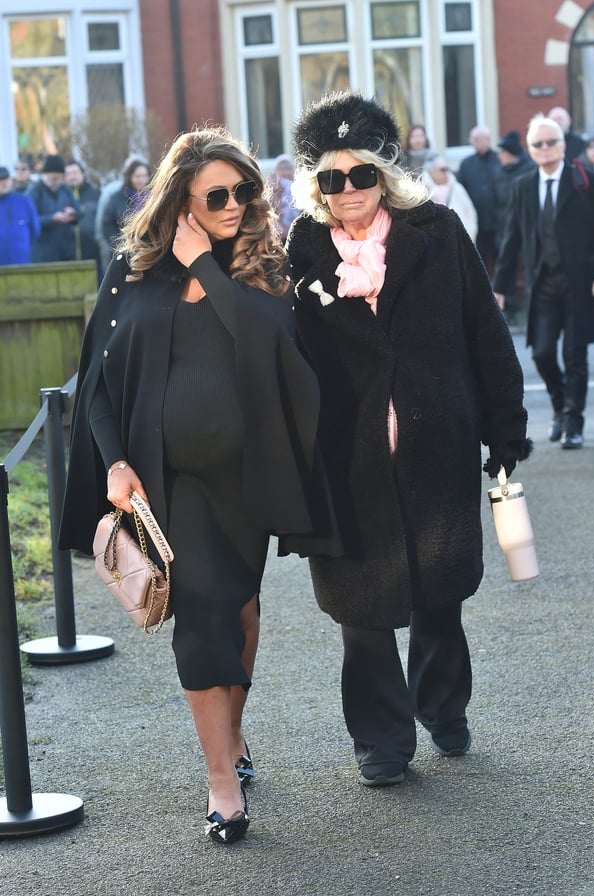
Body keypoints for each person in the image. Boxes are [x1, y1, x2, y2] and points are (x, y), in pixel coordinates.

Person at [59, 126, 339, 844]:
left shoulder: (261, 267)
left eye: (245, 191)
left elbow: (271, 344)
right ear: (180, 196)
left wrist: (204, 266)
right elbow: (97, 381)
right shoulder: (131, 269)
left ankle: (232, 735)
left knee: (240, 609)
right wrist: (116, 461)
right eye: (216, 194)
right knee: (204, 616)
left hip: (247, 480)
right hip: (164, 482)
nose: (235, 205)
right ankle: (221, 782)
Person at [287, 91, 531, 788]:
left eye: (361, 174)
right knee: (361, 614)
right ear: (316, 185)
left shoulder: (439, 232)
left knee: (438, 597)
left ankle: (443, 709)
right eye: (331, 179)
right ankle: (382, 741)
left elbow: (486, 333)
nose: (348, 192)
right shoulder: (301, 248)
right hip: (346, 459)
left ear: (384, 175)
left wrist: (504, 429)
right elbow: (286, 352)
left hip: (437, 447)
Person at [493, 115, 594, 450]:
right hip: (542, 284)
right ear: (530, 150)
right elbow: (511, 240)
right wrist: (499, 288)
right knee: (543, 353)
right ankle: (561, 406)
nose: (545, 149)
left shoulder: (585, 181)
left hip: (581, 284)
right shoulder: (523, 186)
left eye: (551, 142)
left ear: (563, 145)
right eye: (538, 144)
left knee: (575, 355)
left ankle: (574, 422)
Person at [494, 130, 536, 325]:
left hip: (528, 228)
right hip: (505, 228)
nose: (499, 156)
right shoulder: (499, 171)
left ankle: (532, 307)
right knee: (506, 267)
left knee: (530, 266)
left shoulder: (528, 170)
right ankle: (509, 309)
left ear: (510, 153)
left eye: (502, 152)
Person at [457, 125, 502, 275]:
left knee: (501, 261)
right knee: (477, 263)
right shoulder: (466, 164)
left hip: (498, 222)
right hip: (477, 222)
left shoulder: (500, 160)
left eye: (480, 139)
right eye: (474, 140)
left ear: (488, 140)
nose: (477, 142)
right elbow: (461, 192)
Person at [27, 154, 80, 262]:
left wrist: (73, 214)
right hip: (42, 251)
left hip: (66, 250)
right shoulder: (34, 192)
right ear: (45, 174)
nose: (56, 181)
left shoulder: (65, 189)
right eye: (53, 177)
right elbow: (30, 220)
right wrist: (52, 218)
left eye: (59, 177)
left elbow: (78, 211)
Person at [100, 156, 151, 260]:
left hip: (149, 251)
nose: (142, 180)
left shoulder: (154, 197)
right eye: (138, 176)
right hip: (125, 252)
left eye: (144, 176)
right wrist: (119, 246)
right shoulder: (116, 198)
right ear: (130, 177)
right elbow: (107, 225)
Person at [423, 155, 477, 241]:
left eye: (447, 169)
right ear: (431, 172)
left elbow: (470, 212)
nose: (446, 172)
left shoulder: (457, 188)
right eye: (442, 169)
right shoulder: (422, 191)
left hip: (460, 240)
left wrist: (469, 235)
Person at [64, 159, 102, 280]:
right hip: (67, 257)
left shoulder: (96, 195)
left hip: (93, 253)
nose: (72, 177)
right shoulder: (60, 197)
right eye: (68, 174)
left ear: (83, 174)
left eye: (75, 172)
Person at [0, 165, 40, 264]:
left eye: (5, 179)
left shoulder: (24, 202)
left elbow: (35, 230)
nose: (3, 183)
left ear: (11, 180)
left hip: (21, 262)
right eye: (0, 180)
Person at [267, 153, 299, 241]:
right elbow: (274, 211)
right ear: (276, 171)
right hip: (281, 230)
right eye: (282, 169)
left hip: (298, 228)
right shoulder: (273, 187)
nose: (285, 172)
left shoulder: (299, 185)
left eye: (288, 169)